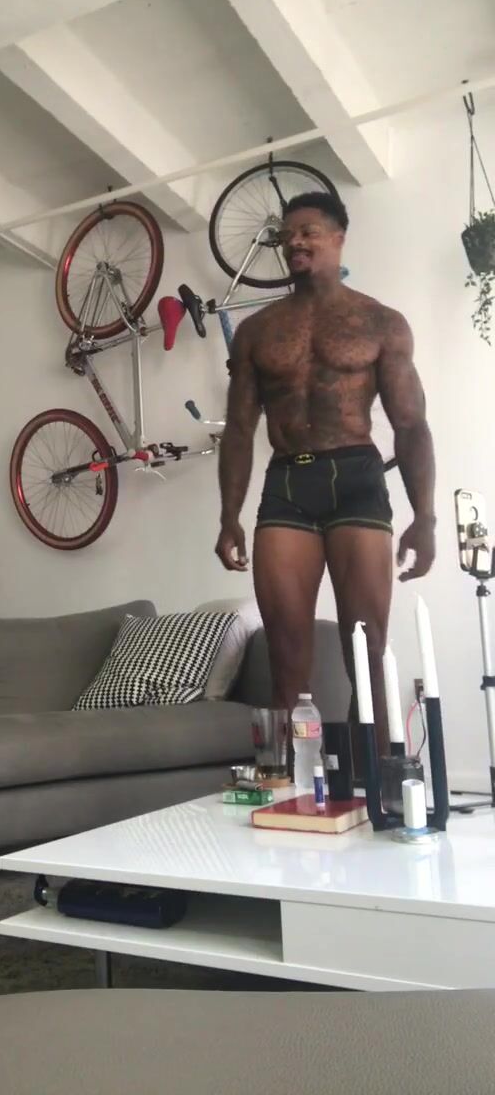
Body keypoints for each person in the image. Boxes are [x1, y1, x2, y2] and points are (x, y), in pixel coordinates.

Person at [215, 191, 435, 753]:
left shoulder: (380, 322)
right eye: (287, 235)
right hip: (288, 482)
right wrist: (229, 516)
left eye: (308, 231)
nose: (295, 242)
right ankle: (292, 783)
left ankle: (379, 781)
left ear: (338, 237)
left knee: (366, 649)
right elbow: (238, 429)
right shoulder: (258, 331)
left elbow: (411, 425)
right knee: (286, 656)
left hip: (356, 478)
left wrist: (425, 518)